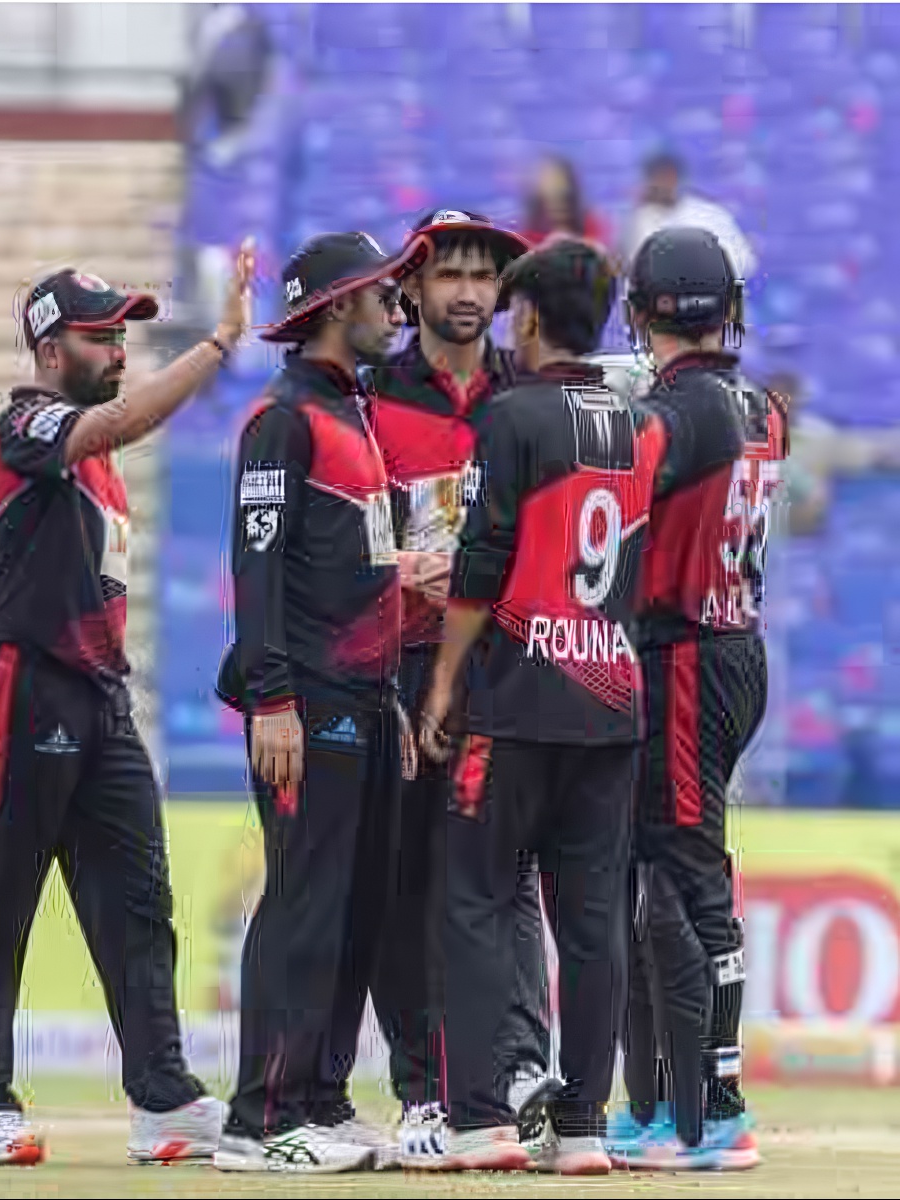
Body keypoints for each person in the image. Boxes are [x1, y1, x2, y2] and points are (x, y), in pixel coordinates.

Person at [0, 249, 254, 1166]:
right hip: (25, 679)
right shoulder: (27, 425)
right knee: (2, 895)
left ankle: (162, 1097)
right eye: (98, 335)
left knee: (139, 902)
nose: (116, 349)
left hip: (99, 693)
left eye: (122, 333)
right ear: (50, 347)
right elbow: (118, 422)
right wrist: (220, 344)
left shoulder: (93, 456)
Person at [421, 237, 656, 1175]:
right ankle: (585, 1128)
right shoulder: (642, 428)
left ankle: (479, 1120)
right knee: (592, 921)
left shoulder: (511, 417)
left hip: (519, 698)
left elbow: (479, 564)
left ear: (526, 319)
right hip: (612, 703)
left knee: (473, 898)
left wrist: (443, 679)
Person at [212, 231, 425, 1173]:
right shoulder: (282, 421)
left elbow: (352, 565)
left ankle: (318, 1098)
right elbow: (252, 568)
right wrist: (271, 699)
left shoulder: (356, 413)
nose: (398, 308)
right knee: (305, 900)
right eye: (384, 293)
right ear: (340, 306)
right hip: (307, 697)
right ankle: (259, 1119)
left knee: (356, 907)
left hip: (368, 698)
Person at [364, 208, 553, 1164]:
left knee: (504, 880)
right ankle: (422, 1089)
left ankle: (520, 1072)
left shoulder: (524, 397)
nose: (470, 292)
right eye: (449, 276)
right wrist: (397, 568)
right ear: (409, 290)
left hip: (502, 667)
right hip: (398, 665)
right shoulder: (366, 399)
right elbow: (337, 538)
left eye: (484, 275)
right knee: (405, 886)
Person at [611, 226, 782, 1171]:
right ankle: (666, 1104)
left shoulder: (673, 416)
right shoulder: (760, 405)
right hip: (733, 645)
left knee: (686, 880)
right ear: (730, 310)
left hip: (680, 656)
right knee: (656, 877)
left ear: (638, 314)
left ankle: (715, 1108)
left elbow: (631, 480)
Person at [623, 152, 756, 281]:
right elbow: (635, 269)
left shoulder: (709, 214)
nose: (662, 184)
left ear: (676, 178)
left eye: (667, 177)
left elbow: (745, 262)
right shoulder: (639, 221)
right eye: (657, 178)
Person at [522, 155, 611, 249]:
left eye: (560, 183)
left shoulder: (594, 225)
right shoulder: (524, 235)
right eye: (549, 184)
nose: (556, 191)